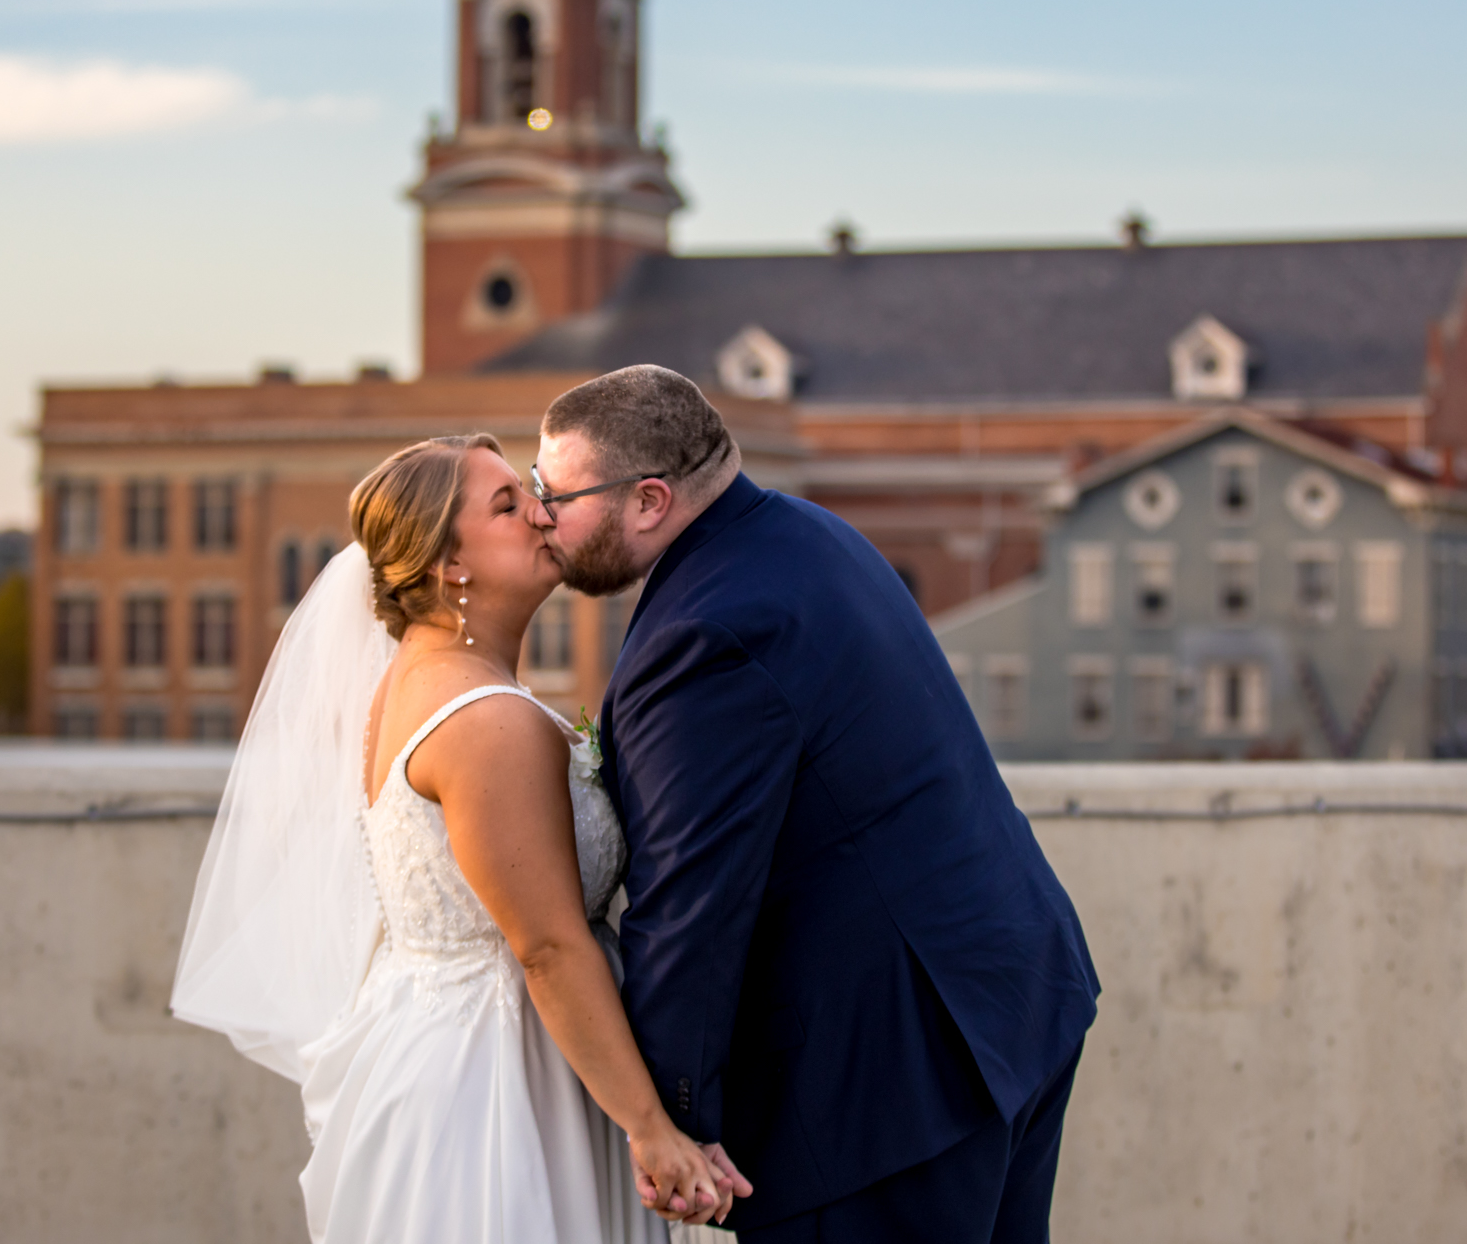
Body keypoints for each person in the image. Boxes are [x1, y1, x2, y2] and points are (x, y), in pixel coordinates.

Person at [527, 365, 1100, 1244]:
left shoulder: (704, 633)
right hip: (1010, 1000)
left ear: (648, 501)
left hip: (890, 1082)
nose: (540, 514)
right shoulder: (803, 535)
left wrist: (670, 1115)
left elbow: (694, 902)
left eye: (555, 492)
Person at [172, 432, 749, 1244]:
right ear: (451, 565)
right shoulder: (486, 722)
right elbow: (546, 946)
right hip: (498, 1089)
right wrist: (652, 1127)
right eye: (508, 505)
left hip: (436, 1047)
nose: (542, 515)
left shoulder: (413, 682)